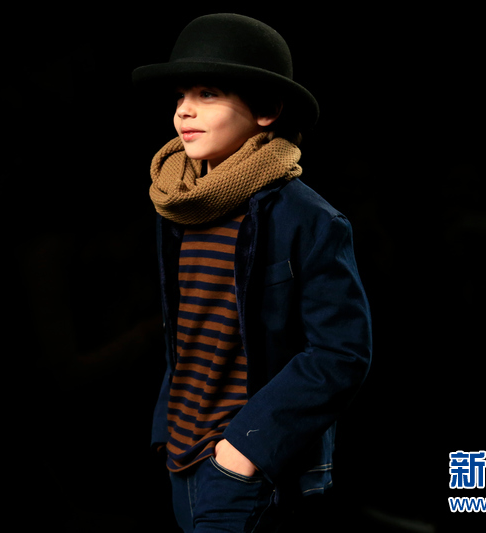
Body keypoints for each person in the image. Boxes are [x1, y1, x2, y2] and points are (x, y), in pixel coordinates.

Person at [132, 13, 372, 532]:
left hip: (245, 464)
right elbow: (188, 332)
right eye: (180, 96)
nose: (184, 110)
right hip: (181, 456)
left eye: (208, 93)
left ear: (266, 110)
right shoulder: (178, 205)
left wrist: (245, 450)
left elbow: (341, 352)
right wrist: (165, 429)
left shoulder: (306, 218)